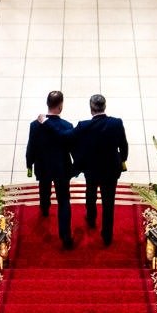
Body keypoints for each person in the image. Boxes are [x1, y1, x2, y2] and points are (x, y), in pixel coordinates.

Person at [72, 93, 128, 246]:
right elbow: (124, 145)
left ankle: (91, 219)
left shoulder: (83, 126)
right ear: (105, 107)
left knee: (90, 193)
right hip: (111, 169)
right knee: (108, 202)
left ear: (91, 109)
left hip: (91, 169)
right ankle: (107, 235)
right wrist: (122, 160)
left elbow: (72, 143)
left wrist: (79, 161)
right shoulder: (116, 123)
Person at [25, 90, 76, 248]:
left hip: (43, 166)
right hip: (61, 168)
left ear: (47, 104)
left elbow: (31, 146)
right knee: (64, 200)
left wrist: (29, 164)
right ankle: (65, 236)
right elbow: (71, 147)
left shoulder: (35, 125)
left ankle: (45, 208)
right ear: (60, 107)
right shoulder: (67, 126)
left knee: (44, 188)